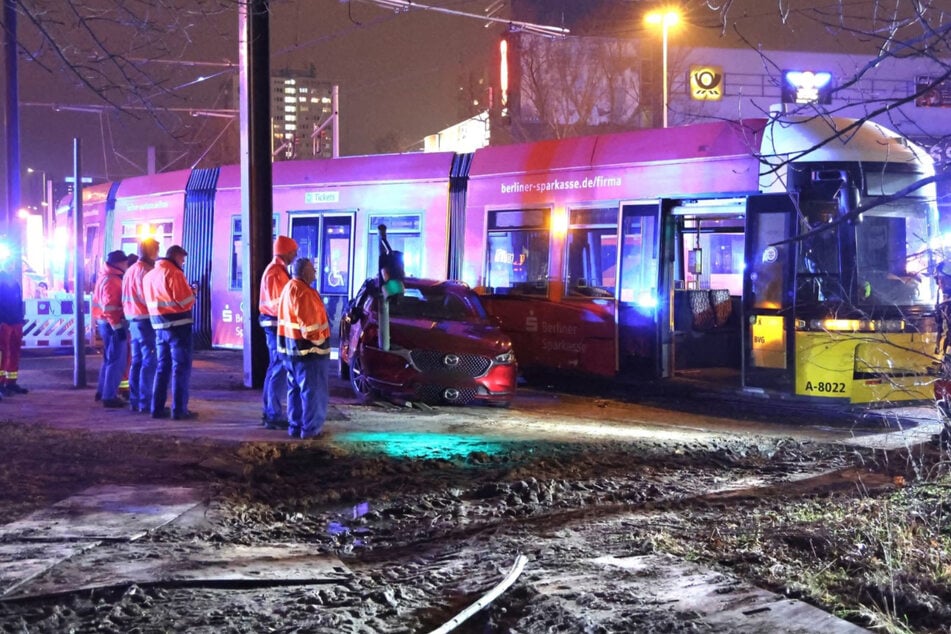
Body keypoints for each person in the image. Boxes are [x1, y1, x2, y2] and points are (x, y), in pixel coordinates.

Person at [276, 257, 331, 439]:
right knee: (312, 392)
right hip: (308, 353)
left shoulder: (289, 288)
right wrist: (320, 342)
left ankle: (295, 427)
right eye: (313, 269)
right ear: (305, 272)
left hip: (290, 352)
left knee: (295, 391)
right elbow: (310, 329)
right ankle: (311, 430)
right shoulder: (304, 292)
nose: (315, 272)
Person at [143, 245, 197, 420]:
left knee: (162, 368)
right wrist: (193, 292)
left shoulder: (149, 275)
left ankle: (156, 409)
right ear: (174, 256)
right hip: (178, 327)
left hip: (158, 327)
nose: (183, 263)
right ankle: (179, 410)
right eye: (182, 259)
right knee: (180, 368)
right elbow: (186, 302)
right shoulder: (174, 273)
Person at [258, 235, 298, 429]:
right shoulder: (276, 273)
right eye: (294, 252)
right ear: (287, 252)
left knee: (275, 367)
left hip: (274, 324)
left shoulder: (277, 270)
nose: (296, 255)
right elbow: (277, 304)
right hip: (275, 325)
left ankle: (270, 412)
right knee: (278, 368)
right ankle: (273, 415)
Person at [122, 239, 159, 413]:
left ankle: (135, 400)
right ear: (152, 251)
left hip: (132, 321)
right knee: (149, 361)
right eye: (157, 250)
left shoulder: (130, 270)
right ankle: (146, 402)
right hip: (146, 320)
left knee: (136, 361)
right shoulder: (148, 272)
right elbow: (150, 297)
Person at [92, 250, 130, 408]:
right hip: (112, 324)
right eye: (125, 262)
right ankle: (109, 396)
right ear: (119, 263)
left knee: (109, 359)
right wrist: (117, 327)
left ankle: (102, 391)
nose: (127, 265)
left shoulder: (104, 277)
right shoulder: (113, 280)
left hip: (104, 322)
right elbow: (111, 307)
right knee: (117, 361)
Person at [0, 258, 27, 396]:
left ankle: (11, 382)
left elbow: (18, 301)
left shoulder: (13, 281)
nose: (12, 265)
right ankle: (1, 384)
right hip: (4, 322)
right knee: (3, 354)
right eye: (9, 262)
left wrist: (20, 319)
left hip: (15, 322)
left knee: (14, 353)